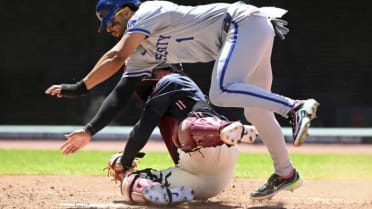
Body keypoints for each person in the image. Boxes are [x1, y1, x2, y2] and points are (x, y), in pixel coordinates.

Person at [45, 0, 320, 200]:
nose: (109, 29)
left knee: (222, 90)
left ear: (126, 11)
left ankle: (295, 107)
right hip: (251, 29)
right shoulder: (143, 53)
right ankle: (286, 173)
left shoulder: (148, 12)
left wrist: (80, 87)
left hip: (241, 22)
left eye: (112, 22)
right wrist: (89, 131)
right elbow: (121, 92)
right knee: (257, 111)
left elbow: (116, 56)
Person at [60, 63, 258, 205]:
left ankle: (223, 130)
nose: (141, 79)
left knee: (184, 128)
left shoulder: (172, 79)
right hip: (204, 179)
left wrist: (126, 159)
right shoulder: (164, 93)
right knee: (131, 184)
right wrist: (124, 168)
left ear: (167, 67)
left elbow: (142, 129)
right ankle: (173, 196)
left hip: (210, 144)